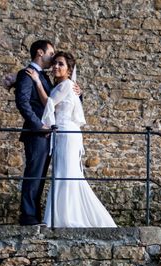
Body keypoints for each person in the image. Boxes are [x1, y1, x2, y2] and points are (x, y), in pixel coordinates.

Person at [27, 52, 116, 228]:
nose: (56, 67)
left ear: (69, 70)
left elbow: (49, 104)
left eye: (61, 64)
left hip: (67, 134)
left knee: (66, 174)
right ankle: (62, 216)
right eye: (54, 64)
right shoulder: (63, 85)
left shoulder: (67, 84)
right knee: (63, 174)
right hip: (63, 134)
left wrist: (37, 82)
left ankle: (66, 218)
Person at [14, 40, 55, 225]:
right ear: (40, 52)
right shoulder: (26, 74)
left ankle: (34, 215)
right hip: (36, 133)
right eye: (51, 53)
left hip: (46, 134)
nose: (53, 58)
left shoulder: (43, 76)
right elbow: (23, 103)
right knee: (34, 174)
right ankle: (28, 215)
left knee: (40, 175)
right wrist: (38, 126)